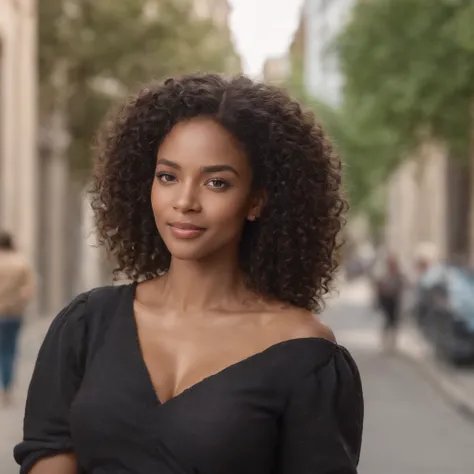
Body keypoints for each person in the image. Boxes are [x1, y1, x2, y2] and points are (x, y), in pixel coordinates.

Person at [14, 74, 364, 474]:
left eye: (217, 183)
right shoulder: (86, 325)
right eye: (168, 177)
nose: (184, 201)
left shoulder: (305, 356)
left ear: (256, 201)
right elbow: (48, 453)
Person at [0, 231, 35, 406]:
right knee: (9, 350)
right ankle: (6, 388)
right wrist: (18, 303)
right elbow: (28, 289)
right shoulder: (21, 263)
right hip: (13, 313)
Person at [373, 252, 405, 351]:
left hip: (394, 300)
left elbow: (402, 286)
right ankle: (385, 341)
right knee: (387, 320)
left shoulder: (398, 274)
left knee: (394, 321)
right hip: (386, 300)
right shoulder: (384, 274)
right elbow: (378, 286)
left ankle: (392, 342)